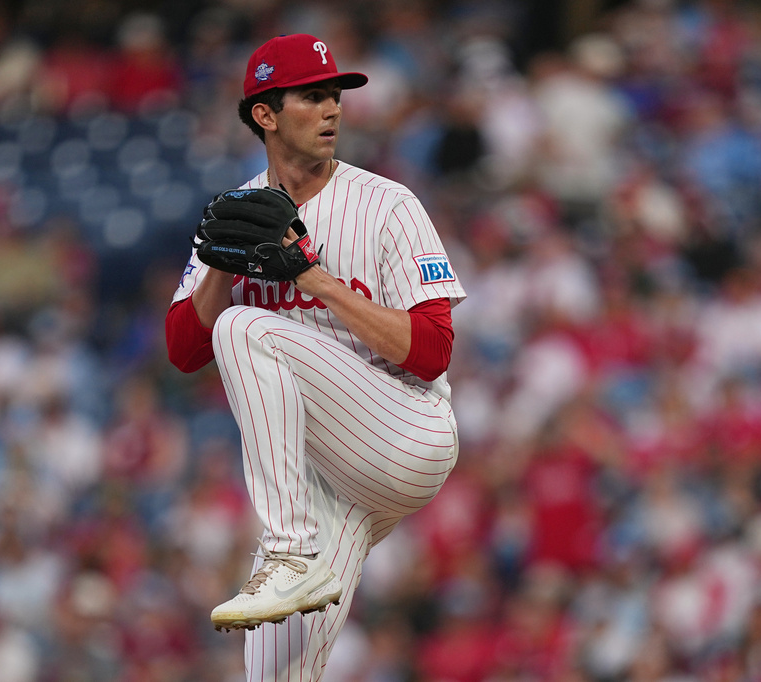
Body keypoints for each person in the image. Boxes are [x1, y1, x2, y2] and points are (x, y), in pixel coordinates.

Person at [165, 32, 466, 680]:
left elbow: (435, 350)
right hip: (325, 485)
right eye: (312, 97)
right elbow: (184, 351)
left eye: (335, 96)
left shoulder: (386, 203)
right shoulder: (233, 213)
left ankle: (288, 553)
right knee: (271, 671)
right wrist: (218, 265)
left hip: (404, 429)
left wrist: (314, 278)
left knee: (247, 326)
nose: (332, 109)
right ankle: (295, 560)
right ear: (265, 114)